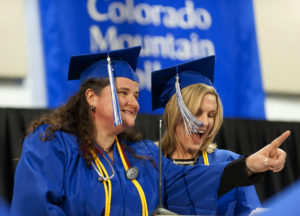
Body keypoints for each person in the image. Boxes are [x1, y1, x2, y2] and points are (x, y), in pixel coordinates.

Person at [11, 46, 288, 216]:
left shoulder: (141, 156)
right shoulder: (51, 145)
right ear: (91, 98)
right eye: (123, 93)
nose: (133, 102)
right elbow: (35, 208)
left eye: (136, 94)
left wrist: (249, 165)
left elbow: (187, 180)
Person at [151, 55, 289, 215]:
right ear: (174, 113)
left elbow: (250, 212)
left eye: (211, 115)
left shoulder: (230, 163)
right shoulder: (150, 163)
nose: (204, 122)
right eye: (196, 113)